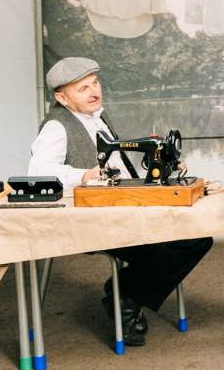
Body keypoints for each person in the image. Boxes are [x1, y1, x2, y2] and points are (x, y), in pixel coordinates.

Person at [28, 57, 212, 347]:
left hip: (124, 208)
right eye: (82, 88)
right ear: (61, 97)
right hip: (93, 219)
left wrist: (164, 168)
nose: (93, 91)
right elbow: (38, 173)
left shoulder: (98, 117)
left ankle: (125, 293)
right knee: (161, 247)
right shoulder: (57, 127)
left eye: (95, 83)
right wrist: (84, 175)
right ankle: (125, 299)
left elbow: (120, 169)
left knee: (197, 237)